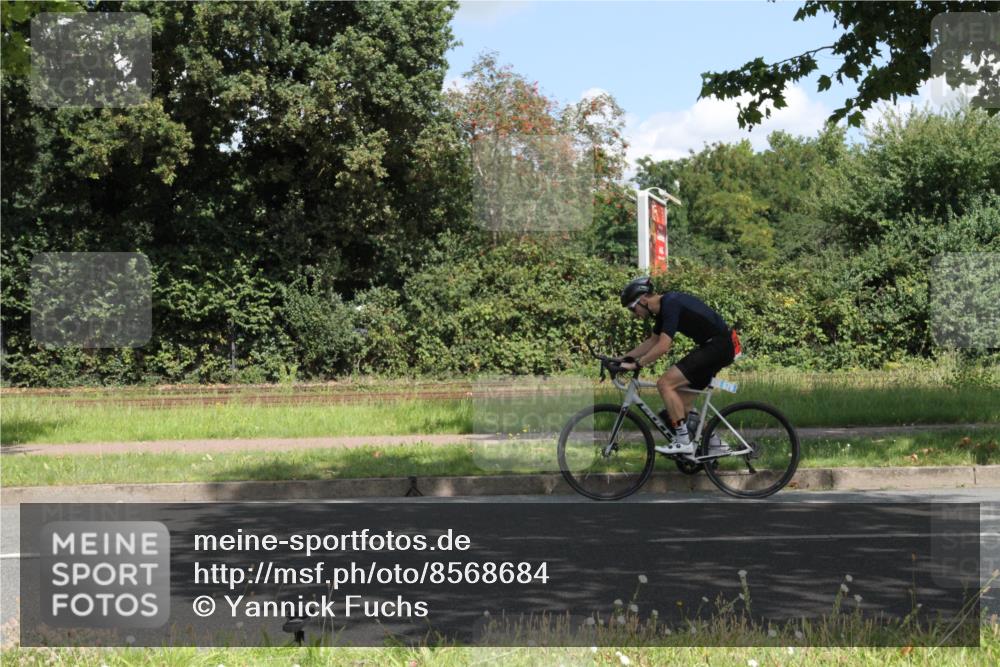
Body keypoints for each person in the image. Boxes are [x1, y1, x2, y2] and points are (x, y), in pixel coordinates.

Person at [616, 276, 739, 455]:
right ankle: (716, 445)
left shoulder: (670, 304)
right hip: (716, 346)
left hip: (718, 346)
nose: (634, 314)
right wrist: (621, 359)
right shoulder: (663, 308)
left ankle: (683, 441)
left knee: (665, 384)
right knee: (681, 404)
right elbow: (653, 341)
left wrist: (637, 364)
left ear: (643, 300)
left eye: (632, 308)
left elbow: (663, 346)